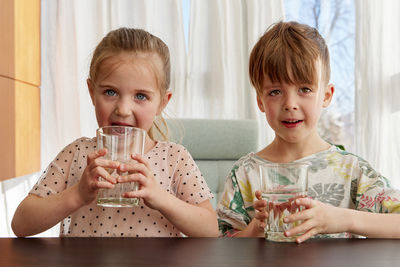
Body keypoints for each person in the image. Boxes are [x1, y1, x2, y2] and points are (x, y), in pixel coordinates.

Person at [12, 28, 218, 238]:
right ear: (92, 93)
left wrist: (160, 197)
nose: (123, 109)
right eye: (110, 92)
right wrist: (78, 194)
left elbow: (210, 229)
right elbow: (21, 224)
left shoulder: (174, 158)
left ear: (162, 103)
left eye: (141, 96)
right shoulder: (76, 153)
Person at [216, 21, 400, 242]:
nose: (290, 104)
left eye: (305, 89)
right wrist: (256, 227)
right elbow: (220, 246)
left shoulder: (352, 171)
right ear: (260, 101)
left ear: (326, 96)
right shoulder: (244, 174)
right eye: (275, 91)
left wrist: (343, 219)